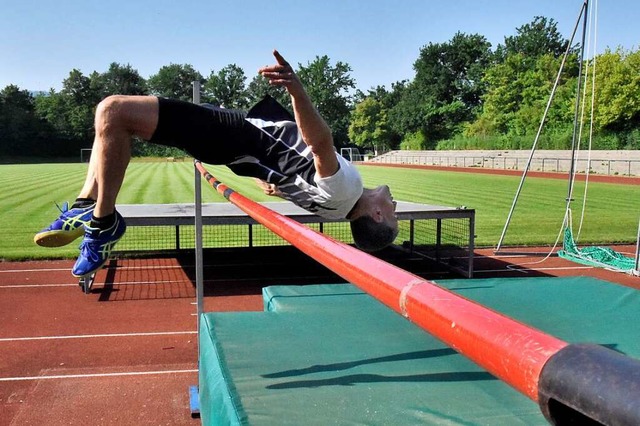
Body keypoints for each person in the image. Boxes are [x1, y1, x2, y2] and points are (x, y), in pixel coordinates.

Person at [34, 50, 398, 277]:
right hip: (234, 141)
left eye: (392, 213)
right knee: (110, 119)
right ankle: (87, 207)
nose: (395, 205)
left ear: (377, 216)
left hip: (233, 135)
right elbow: (283, 181)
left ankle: (102, 221)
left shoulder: (347, 190)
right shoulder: (335, 212)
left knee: (114, 110)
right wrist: (266, 177)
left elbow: (320, 144)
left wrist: (296, 88)